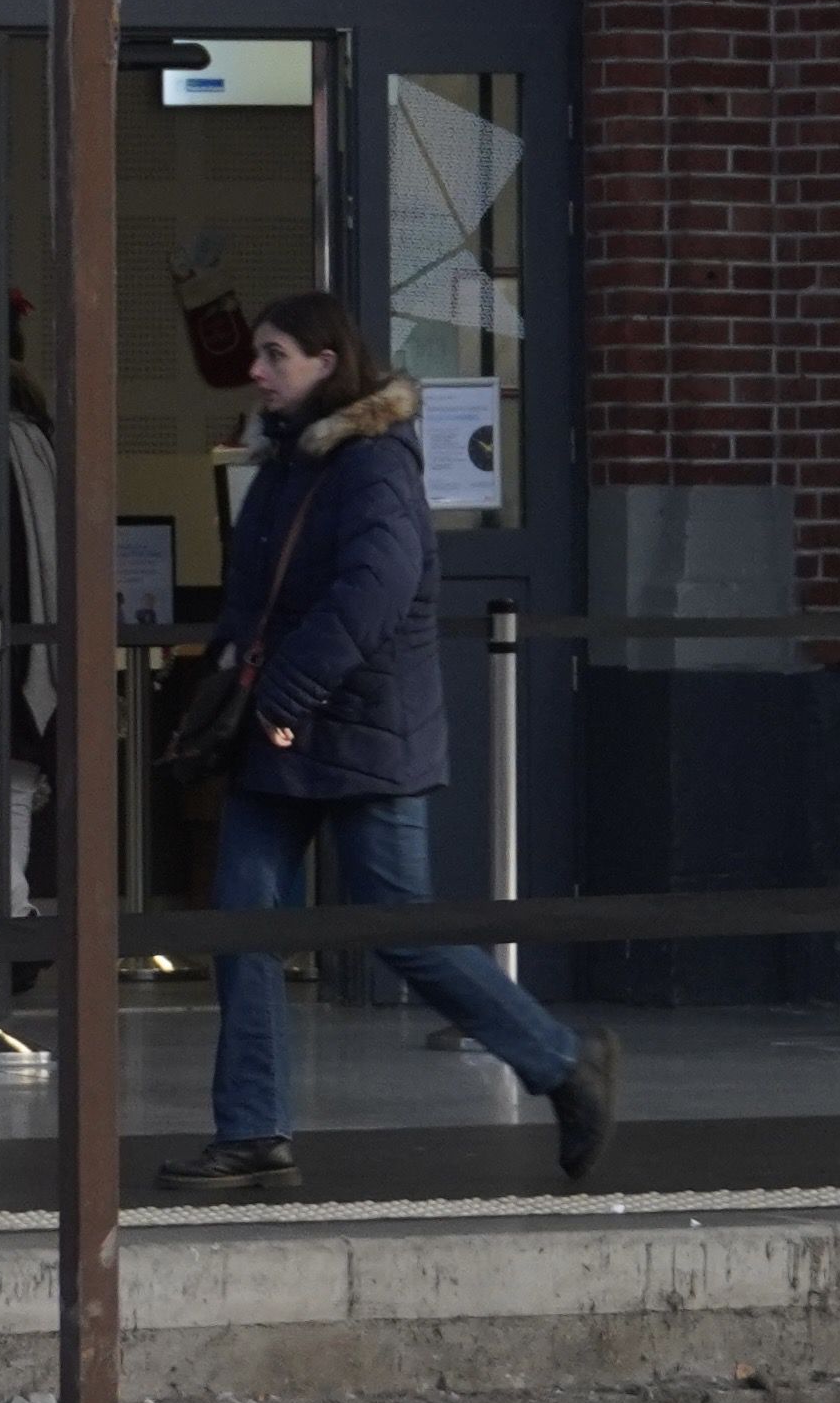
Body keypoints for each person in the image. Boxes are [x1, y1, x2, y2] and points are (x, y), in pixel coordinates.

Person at [157, 290, 616, 1196]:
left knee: (400, 928)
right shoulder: (289, 460)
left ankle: (564, 1064)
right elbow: (259, 593)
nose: (256, 369)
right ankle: (251, 1129)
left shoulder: (370, 465)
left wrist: (281, 690)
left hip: (360, 731)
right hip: (286, 732)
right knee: (243, 926)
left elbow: (373, 591)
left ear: (326, 361)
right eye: (258, 351)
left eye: (274, 352)